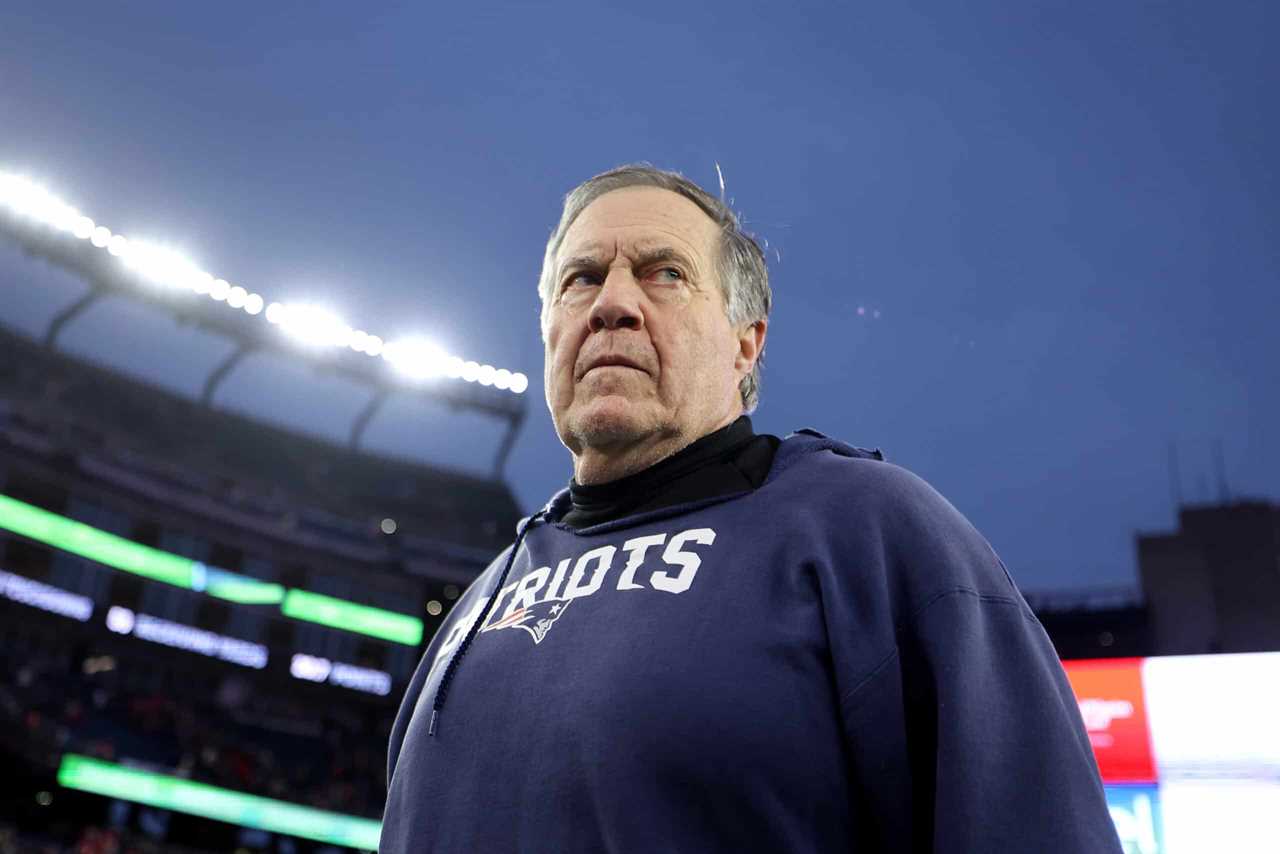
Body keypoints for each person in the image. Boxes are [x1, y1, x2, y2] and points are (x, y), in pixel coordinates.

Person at [379, 165, 1122, 853]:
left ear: (747, 342)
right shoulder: (484, 597)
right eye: (581, 279)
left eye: (664, 273)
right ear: (548, 330)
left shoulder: (868, 530)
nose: (612, 304)